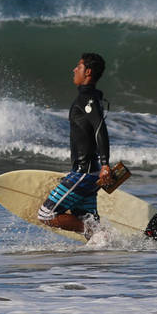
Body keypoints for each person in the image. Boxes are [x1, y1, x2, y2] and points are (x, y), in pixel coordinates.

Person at [37, 53, 112, 237]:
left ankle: (99, 232)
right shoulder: (91, 97)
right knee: (89, 227)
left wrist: (105, 164)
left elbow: (99, 128)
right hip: (89, 174)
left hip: (83, 173)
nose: (74, 69)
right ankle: (106, 252)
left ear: (87, 72)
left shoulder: (88, 99)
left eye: (78, 67)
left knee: (46, 215)